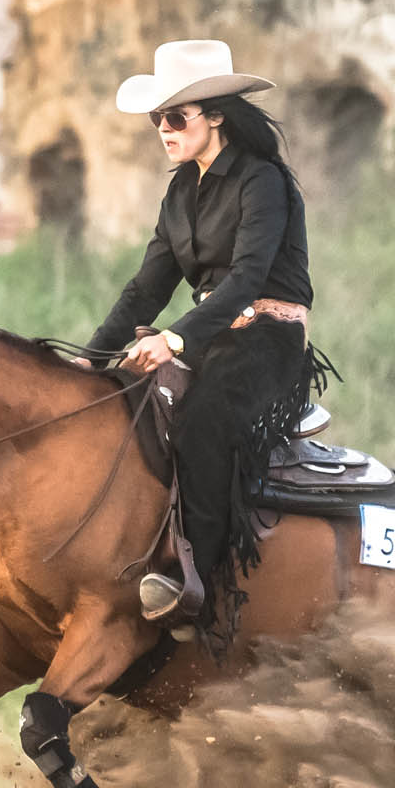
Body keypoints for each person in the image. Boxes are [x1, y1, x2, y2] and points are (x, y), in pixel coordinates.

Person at [83, 39, 328, 640]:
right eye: (156, 120)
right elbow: (145, 290)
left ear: (216, 114)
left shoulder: (262, 182)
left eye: (175, 118)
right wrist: (86, 363)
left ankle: (206, 590)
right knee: (115, 411)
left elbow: (247, 279)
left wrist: (175, 341)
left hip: (268, 343)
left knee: (201, 423)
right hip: (209, 338)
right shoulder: (178, 194)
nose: (163, 131)